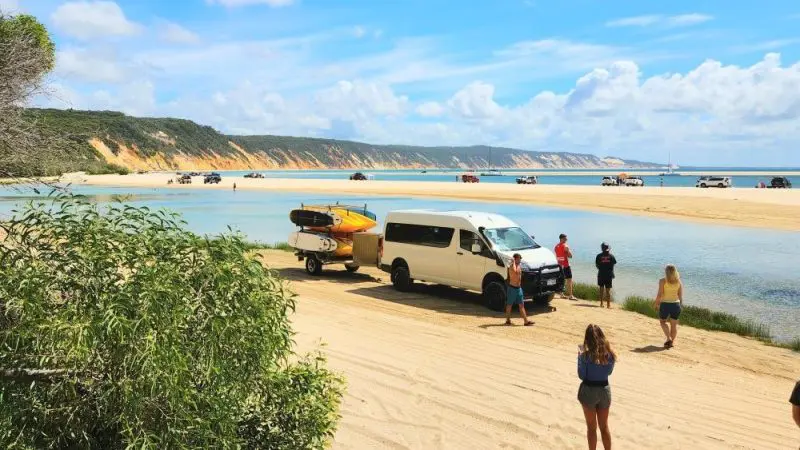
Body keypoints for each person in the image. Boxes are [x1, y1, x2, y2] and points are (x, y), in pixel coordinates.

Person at [577, 324, 616, 450]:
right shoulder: (609, 355)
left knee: (591, 428)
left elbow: (582, 375)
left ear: (587, 339)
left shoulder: (585, 356)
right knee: (604, 427)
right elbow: (609, 372)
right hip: (604, 391)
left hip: (589, 390)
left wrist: (580, 357)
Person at [655, 264, 683, 348]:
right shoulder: (679, 281)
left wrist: (656, 303)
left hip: (665, 304)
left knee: (662, 322)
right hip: (676, 304)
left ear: (666, 272)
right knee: (673, 325)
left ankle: (668, 338)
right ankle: (672, 342)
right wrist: (680, 305)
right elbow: (680, 296)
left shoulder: (662, 281)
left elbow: (659, 294)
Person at [505, 253, 534, 326]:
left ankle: (526, 321)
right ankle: (508, 320)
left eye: (520, 258)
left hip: (518, 289)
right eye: (518, 258)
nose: (520, 259)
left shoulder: (519, 266)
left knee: (521, 305)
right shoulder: (512, 266)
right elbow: (514, 271)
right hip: (512, 288)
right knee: (509, 305)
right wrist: (513, 262)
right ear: (515, 259)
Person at [595, 243, 616, 309]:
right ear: (608, 249)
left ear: (602, 249)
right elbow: (613, 265)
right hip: (609, 275)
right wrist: (612, 273)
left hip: (601, 274)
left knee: (601, 289)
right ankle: (608, 305)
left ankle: (601, 303)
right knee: (608, 291)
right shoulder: (611, 256)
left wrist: (601, 268)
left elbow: (597, 265)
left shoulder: (598, 256)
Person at [555, 234, 575, 300]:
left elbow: (559, 255)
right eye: (565, 238)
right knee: (569, 280)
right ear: (561, 239)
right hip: (566, 265)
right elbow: (570, 256)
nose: (566, 240)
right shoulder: (565, 246)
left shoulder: (556, 246)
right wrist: (567, 252)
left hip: (559, 265)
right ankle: (570, 295)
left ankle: (561, 294)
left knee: (562, 280)